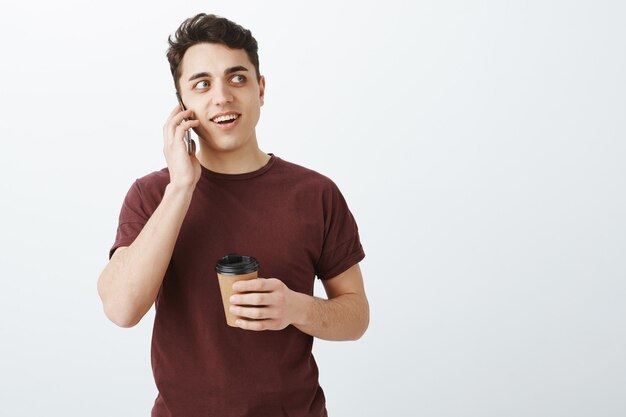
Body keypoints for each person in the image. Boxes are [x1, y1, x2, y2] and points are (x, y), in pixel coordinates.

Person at [97, 13, 369, 417]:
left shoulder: (316, 194)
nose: (221, 96)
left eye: (237, 78)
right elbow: (121, 309)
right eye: (202, 84)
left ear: (261, 89)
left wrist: (296, 308)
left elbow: (356, 316)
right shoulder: (153, 194)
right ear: (183, 105)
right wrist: (181, 187)